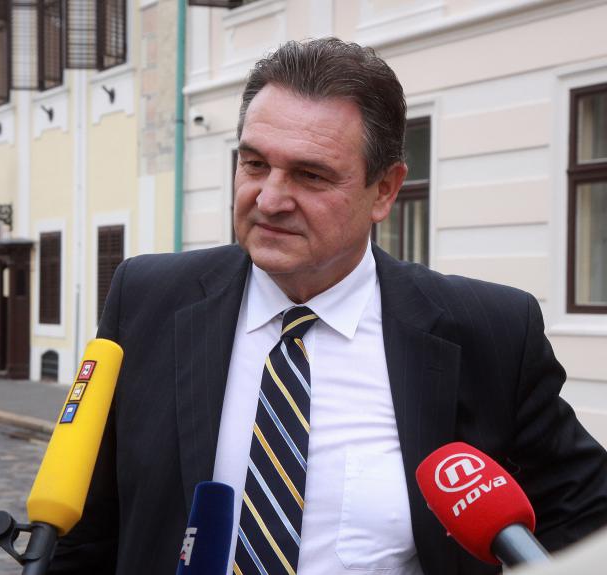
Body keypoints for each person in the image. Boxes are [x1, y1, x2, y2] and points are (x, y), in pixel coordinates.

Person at [49, 38, 607, 575]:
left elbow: (584, 517)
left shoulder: (488, 332)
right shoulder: (146, 297)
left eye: (310, 175)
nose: (269, 199)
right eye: (254, 164)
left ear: (384, 190)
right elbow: (84, 534)